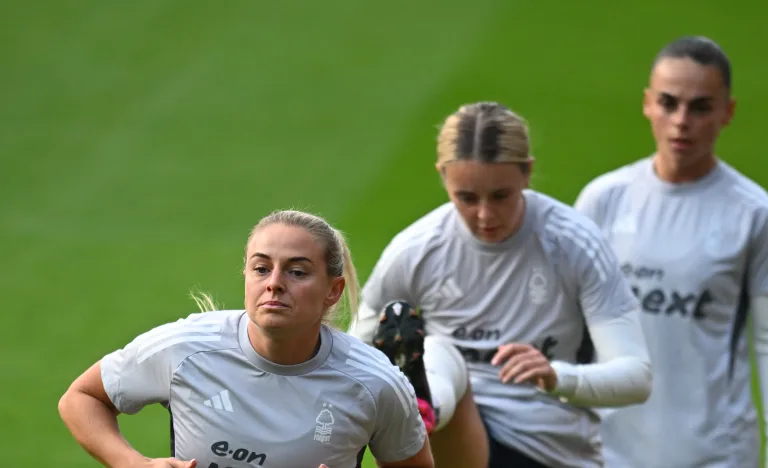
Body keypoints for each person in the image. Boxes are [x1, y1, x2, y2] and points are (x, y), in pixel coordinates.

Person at [348, 101, 654, 468]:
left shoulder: (573, 244)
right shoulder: (415, 250)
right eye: (466, 197)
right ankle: (425, 407)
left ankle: (423, 405)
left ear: (527, 173)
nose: (485, 216)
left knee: (440, 354)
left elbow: (636, 377)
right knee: (441, 353)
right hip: (454, 440)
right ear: (443, 176)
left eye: (500, 196)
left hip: (548, 451)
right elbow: (351, 362)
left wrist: (557, 376)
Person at [574, 36, 768, 468]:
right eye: (668, 102)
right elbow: (566, 325)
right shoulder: (603, 200)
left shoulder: (754, 215)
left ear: (727, 112)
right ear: (647, 103)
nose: (681, 121)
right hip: (609, 453)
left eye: (700, 107)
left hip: (715, 455)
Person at [58, 210, 435, 468]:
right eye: (261, 268)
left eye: (297, 271)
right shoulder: (186, 349)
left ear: (333, 291)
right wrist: (133, 463)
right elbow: (82, 398)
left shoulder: (374, 383)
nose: (274, 283)